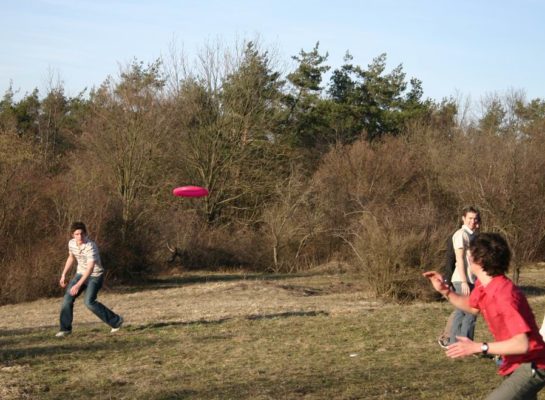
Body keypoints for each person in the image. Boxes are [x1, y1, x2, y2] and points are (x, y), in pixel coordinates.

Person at [424, 233, 545, 399]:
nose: (467, 256)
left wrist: (479, 347)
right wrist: (446, 291)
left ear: (479, 260)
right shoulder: (485, 284)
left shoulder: (504, 295)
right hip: (515, 363)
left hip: (533, 364)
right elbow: (472, 307)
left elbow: (522, 344)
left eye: (470, 252)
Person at [56, 222, 123, 337]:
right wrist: (63, 274)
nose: (80, 236)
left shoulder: (90, 246)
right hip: (80, 273)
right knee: (67, 298)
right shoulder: (71, 244)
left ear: (85, 233)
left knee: (89, 302)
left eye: (82, 233)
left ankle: (116, 321)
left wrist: (78, 285)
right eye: (76, 234)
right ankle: (65, 329)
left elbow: (91, 268)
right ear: (73, 235)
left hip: (95, 275)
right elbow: (71, 257)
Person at [438, 211, 481, 348]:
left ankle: (458, 344)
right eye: (470, 218)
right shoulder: (461, 235)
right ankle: (459, 344)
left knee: (464, 311)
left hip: (471, 279)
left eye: (475, 219)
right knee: (467, 312)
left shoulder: (472, 235)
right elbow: (459, 260)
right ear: (463, 218)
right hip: (463, 280)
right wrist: (463, 281)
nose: (472, 221)